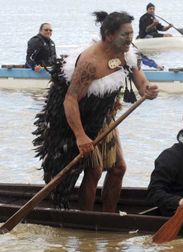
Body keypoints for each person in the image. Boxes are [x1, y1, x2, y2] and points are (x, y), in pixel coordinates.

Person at [32, 11, 159, 212]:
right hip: (80, 119)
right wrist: (80, 136)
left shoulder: (127, 52)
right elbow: (70, 100)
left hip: (105, 116)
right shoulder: (90, 63)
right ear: (109, 35)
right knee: (95, 170)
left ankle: (109, 218)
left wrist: (147, 90)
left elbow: (140, 81)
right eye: (125, 34)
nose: (130, 39)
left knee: (119, 168)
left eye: (131, 33)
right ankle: (88, 221)